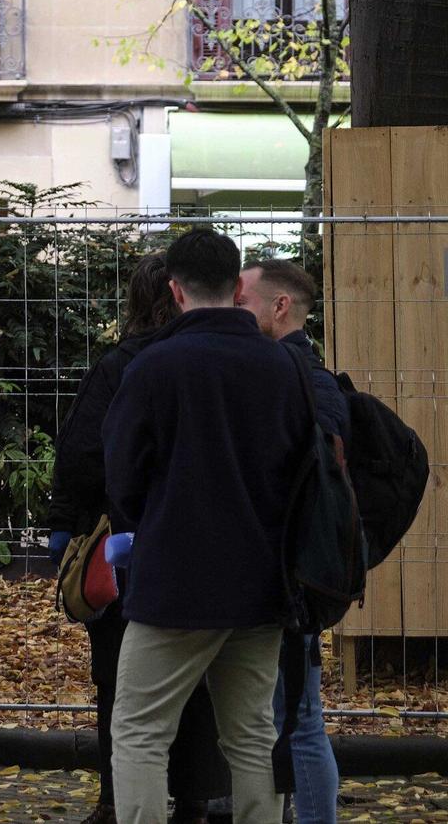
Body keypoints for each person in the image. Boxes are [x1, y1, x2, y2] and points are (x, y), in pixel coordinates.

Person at [102, 228, 314, 824]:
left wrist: (153, 530)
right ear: (235, 285)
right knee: (251, 733)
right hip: (263, 580)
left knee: (140, 730)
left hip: (175, 581)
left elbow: (122, 474)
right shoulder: (283, 366)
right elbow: (302, 469)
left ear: (174, 289)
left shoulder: (153, 366)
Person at [46, 254, 229, 824]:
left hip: (128, 544)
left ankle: (115, 800)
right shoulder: (225, 360)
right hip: (212, 544)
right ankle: (195, 800)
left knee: (121, 684)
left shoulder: (122, 364)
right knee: (199, 680)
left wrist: (66, 523)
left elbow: (81, 453)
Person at [241, 258, 349, 824]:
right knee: (296, 715)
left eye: (243, 303)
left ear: (279, 307)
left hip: (285, 576)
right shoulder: (312, 376)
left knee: (297, 717)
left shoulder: (293, 377)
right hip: (295, 572)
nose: (235, 313)